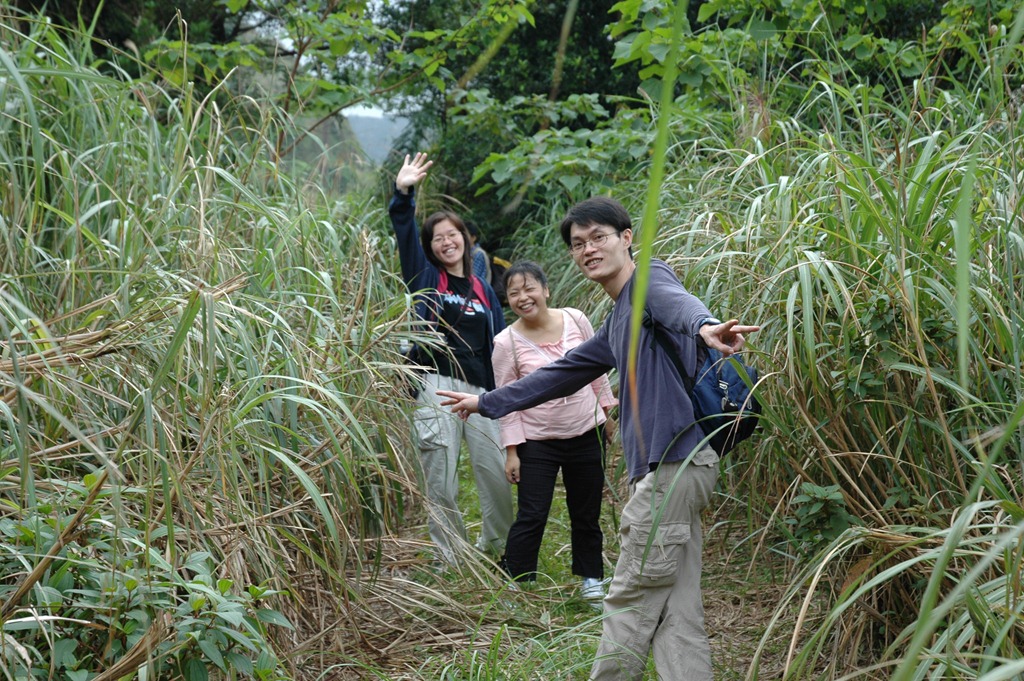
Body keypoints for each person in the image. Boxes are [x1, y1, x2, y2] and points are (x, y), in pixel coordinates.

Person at [437, 196, 759, 680]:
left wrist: (706, 326)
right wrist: (486, 402)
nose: (588, 249)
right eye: (577, 243)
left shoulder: (648, 281)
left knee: (630, 596)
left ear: (626, 238)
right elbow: (561, 373)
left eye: (598, 238)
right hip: (680, 469)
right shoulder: (618, 319)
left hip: (674, 466)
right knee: (676, 607)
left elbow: (680, 306)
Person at [389, 152, 513, 566]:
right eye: (437, 238)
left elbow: (499, 344)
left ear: (465, 239)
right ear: (430, 247)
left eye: (452, 234)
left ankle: (497, 547)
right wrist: (403, 192)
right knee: (440, 476)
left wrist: (505, 393)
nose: (446, 242)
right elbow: (404, 228)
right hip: (435, 384)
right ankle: (450, 555)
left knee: (494, 471)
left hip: (481, 390)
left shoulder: (484, 290)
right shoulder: (425, 277)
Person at [493, 260, 617, 602]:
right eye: (514, 293)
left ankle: (591, 579)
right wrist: (512, 451)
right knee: (532, 513)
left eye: (529, 288)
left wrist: (606, 414)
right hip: (537, 442)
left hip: (585, 431)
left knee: (586, 511)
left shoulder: (576, 319)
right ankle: (516, 581)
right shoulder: (506, 343)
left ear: (546, 290)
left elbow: (596, 370)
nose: (523, 297)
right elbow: (506, 400)